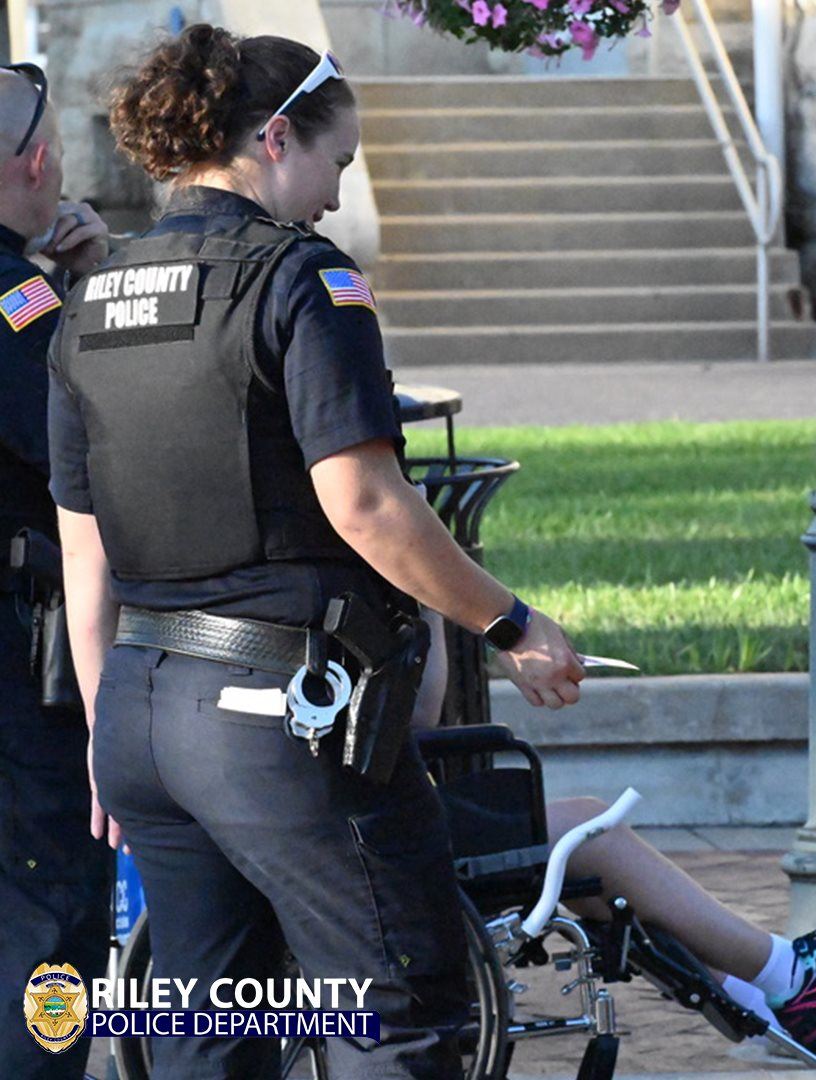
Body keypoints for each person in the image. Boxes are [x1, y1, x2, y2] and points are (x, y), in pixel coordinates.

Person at [48, 25, 583, 1079]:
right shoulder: (302, 279)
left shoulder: (91, 300)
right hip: (278, 717)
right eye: (337, 164)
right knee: (396, 1006)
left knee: (211, 1022)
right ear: (279, 137)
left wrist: (111, 726)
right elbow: (368, 505)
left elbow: (87, 553)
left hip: (145, 718)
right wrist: (510, 625)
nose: (336, 196)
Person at [416, 609, 816, 1054]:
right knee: (586, 830)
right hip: (373, 846)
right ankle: (794, 977)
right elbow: (419, 716)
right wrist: (448, 610)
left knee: (593, 858)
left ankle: (771, 1001)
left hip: (361, 840)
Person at [0, 63, 112, 1078]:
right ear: (37, 163)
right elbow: (81, 449)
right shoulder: (18, 300)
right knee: (51, 916)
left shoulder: (25, 282)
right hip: (17, 670)